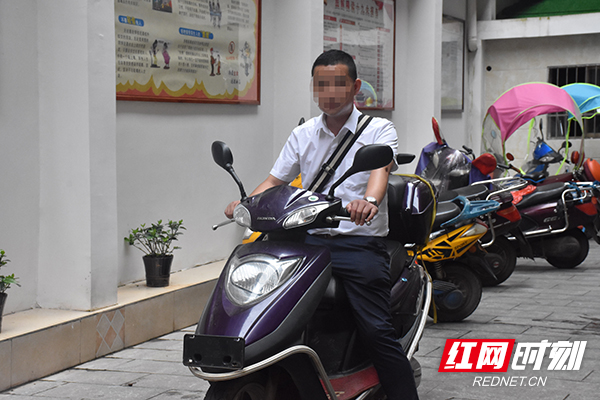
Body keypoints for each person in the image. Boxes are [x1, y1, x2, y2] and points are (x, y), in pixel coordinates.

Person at [225, 49, 419, 400]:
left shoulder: (378, 129)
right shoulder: (303, 133)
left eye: (338, 84)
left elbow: (379, 173)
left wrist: (369, 202)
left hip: (357, 242)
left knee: (377, 331)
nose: (329, 92)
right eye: (321, 84)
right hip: (307, 239)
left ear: (355, 87)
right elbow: (275, 181)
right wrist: (246, 205)